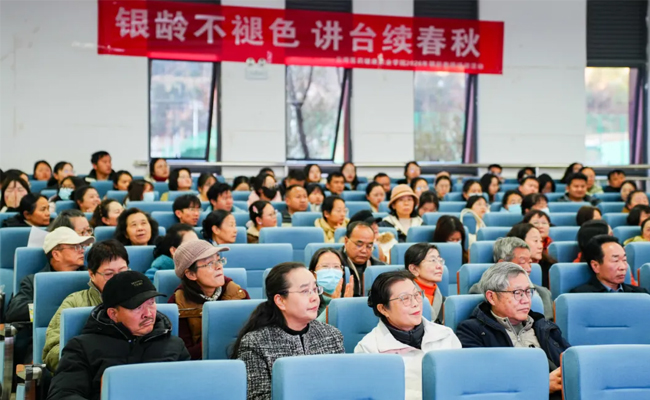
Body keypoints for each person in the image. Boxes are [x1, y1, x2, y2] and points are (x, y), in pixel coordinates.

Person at [47, 271, 190, 400]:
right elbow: (63, 394)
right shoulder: (82, 348)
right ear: (113, 314)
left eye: (151, 303)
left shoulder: (175, 345)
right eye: (137, 307)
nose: (148, 314)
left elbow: (190, 390)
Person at [456, 262, 570, 400]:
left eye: (528, 292)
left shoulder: (544, 326)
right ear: (492, 297)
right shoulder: (471, 331)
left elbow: (571, 365)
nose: (526, 300)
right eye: (517, 293)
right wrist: (541, 385)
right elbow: (483, 383)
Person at [232, 263, 344, 400]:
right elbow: (259, 397)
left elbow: (342, 388)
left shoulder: (332, 335)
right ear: (280, 301)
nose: (315, 297)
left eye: (315, 289)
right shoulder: (255, 343)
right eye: (305, 291)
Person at [355, 270, 461, 400]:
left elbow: (460, 383)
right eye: (405, 298)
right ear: (383, 309)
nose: (415, 303)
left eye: (416, 294)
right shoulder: (368, 350)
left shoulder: (445, 335)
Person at [42, 239, 129, 372]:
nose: (118, 279)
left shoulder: (143, 301)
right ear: (92, 274)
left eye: (123, 271)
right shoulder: (74, 303)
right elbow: (52, 352)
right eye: (109, 274)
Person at [170, 240, 249, 359]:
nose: (219, 266)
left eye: (219, 260)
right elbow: (183, 355)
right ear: (191, 274)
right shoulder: (177, 304)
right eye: (210, 263)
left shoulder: (238, 293)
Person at [7, 227, 94, 326]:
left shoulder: (91, 276)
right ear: (56, 254)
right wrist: (48, 308)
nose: (82, 251)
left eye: (82, 247)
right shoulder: (34, 281)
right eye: (75, 247)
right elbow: (14, 312)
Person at [468, 238, 554, 320]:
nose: (528, 268)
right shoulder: (481, 290)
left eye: (530, 262)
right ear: (502, 264)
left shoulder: (544, 293)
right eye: (522, 262)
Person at [571, 235, 648, 293]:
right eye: (615, 260)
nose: (623, 267)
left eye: (624, 260)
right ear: (595, 266)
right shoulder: (581, 296)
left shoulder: (640, 294)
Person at [340, 221, 386, 296]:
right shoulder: (335, 265)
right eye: (359, 245)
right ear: (346, 241)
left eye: (369, 246)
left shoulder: (380, 268)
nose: (364, 250)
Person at [308, 248, 353, 322]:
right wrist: (333, 306)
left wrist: (348, 305)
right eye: (325, 266)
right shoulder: (307, 301)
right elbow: (311, 328)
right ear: (313, 274)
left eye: (336, 267)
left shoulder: (347, 297)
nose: (331, 271)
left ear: (343, 272)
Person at [405, 243, 446, 323]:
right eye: (433, 260)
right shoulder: (404, 299)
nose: (439, 266)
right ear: (413, 269)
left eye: (440, 260)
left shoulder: (445, 301)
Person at [507, 223, 556, 288]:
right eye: (535, 241)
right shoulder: (509, 268)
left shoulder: (550, 267)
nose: (540, 246)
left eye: (541, 241)